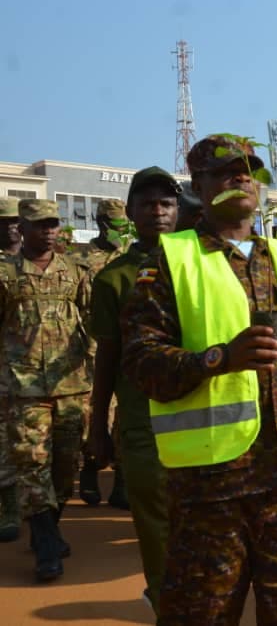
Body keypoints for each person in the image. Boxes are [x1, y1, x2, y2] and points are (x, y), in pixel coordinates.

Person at [122, 134, 277, 624]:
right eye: (225, 171)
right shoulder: (168, 263)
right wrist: (219, 359)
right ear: (200, 185)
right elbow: (141, 364)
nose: (242, 178)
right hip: (210, 488)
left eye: (249, 171)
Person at [88, 166, 179, 611]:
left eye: (166, 203)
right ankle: (166, 602)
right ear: (129, 212)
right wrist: (97, 424)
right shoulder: (114, 279)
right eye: (147, 204)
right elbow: (106, 357)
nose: (158, 212)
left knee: (204, 522)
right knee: (155, 525)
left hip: (209, 419)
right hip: (142, 419)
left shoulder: (206, 266)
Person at [0, 199, 92, 581]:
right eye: (41, 225)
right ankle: (47, 542)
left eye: (53, 224)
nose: (49, 231)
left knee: (65, 465)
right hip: (22, 386)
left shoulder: (75, 270)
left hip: (71, 384)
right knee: (31, 462)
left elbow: (91, 317)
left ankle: (48, 527)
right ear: (22, 227)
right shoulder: (5, 274)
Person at [78, 198, 128, 508]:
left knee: (124, 413)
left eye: (126, 227)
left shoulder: (134, 256)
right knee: (94, 412)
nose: (122, 233)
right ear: (101, 224)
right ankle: (89, 470)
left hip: (127, 347)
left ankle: (122, 480)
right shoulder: (82, 260)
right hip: (92, 348)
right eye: (117, 227)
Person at [0, 198, 22, 543]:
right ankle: (8, 506)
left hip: (39, 370)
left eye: (16, 221)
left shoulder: (53, 264)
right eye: (4, 222)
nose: (11, 227)